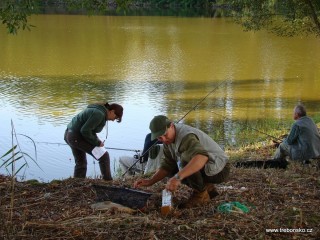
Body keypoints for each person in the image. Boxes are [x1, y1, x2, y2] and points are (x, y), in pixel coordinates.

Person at [134, 115, 230, 208]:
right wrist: (150, 181)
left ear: (171, 125)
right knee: (173, 168)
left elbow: (201, 157)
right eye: (159, 137)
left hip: (221, 169)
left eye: (164, 134)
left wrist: (177, 178)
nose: (163, 139)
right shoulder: (168, 141)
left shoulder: (186, 136)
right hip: (209, 167)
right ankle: (207, 187)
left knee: (185, 163)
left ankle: (200, 195)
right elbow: (167, 165)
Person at [64, 102, 123, 180]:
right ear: (112, 111)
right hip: (76, 137)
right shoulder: (99, 114)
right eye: (115, 117)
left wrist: (97, 140)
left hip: (69, 134)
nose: (113, 120)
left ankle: (78, 183)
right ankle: (108, 182)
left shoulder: (98, 110)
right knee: (104, 156)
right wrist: (97, 142)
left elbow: (89, 130)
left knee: (81, 162)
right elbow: (85, 131)